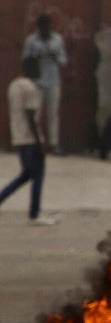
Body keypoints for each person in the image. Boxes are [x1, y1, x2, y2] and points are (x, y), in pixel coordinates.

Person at [0, 55, 55, 225]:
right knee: (38, 174)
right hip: (30, 139)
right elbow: (31, 117)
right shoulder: (31, 88)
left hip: (19, 138)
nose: (40, 71)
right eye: (38, 67)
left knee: (25, 175)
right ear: (31, 68)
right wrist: (40, 143)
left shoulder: (13, 86)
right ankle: (34, 214)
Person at [23, 13, 67, 154]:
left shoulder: (57, 40)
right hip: (37, 81)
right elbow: (25, 61)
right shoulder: (31, 41)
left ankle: (53, 144)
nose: (46, 30)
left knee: (53, 114)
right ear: (39, 27)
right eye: (43, 27)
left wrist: (55, 57)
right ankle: (33, 143)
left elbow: (63, 61)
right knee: (35, 114)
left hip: (53, 81)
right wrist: (38, 56)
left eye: (48, 27)